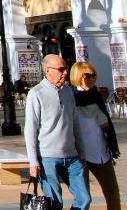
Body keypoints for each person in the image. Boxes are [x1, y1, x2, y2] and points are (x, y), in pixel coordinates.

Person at [25, 55, 90, 210]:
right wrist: (33, 162)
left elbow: (75, 125)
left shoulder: (68, 91)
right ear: (48, 70)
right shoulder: (36, 93)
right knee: (55, 203)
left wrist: (82, 152)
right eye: (61, 69)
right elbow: (30, 130)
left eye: (65, 68)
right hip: (47, 158)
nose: (65, 73)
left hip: (72, 156)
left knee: (84, 199)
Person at [71, 61, 120, 210]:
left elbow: (106, 122)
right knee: (83, 198)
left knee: (112, 193)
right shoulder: (70, 96)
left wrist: (111, 146)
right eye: (87, 76)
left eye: (93, 76)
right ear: (77, 76)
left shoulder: (95, 95)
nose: (91, 79)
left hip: (101, 152)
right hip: (80, 154)